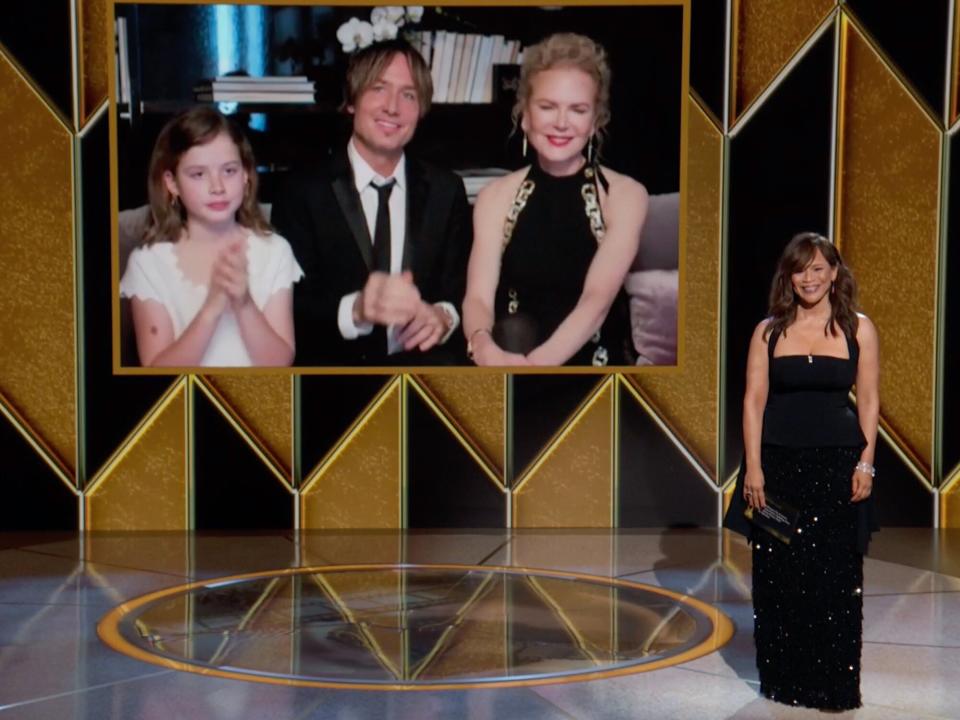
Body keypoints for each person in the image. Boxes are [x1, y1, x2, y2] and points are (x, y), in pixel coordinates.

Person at [734, 232, 880, 710]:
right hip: (775, 470)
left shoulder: (859, 329)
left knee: (836, 579)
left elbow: (870, 401)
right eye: (801, 269)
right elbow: (754, 401)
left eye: (819, 268)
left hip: (839, 471)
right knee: (778, 576)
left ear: (835, 273)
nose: (810, 278)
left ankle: (835, 686)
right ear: (789, 276)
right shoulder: (768, 331)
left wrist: (866, 463)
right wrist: (753, 467)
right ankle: (785, 681)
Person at [271, 39, 471, 366]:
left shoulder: (446, 190)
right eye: (379, 89)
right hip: (334, 380)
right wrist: (358, 309)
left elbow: (460, 289)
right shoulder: (302, 191)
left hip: (423, 379)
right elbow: (292, 305)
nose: (392, 107)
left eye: (408, 95)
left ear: (421, 110)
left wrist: (444, 317)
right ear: (352, 101)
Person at [462, 33, 648, 366]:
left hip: (590, 366)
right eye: (547, 107)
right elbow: (477, 297)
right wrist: (483, 345)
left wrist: (536, 367)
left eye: (578, 110)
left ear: (595, 122)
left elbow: (596, 301)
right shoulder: (495, 196)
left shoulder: (625, 195)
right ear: (525, 115)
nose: (561, 123)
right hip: (507, 354)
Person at [120, 106, 302, 367]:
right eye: (198, 174)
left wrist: (244, 304)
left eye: (229, 171)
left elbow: (280, 362)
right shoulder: (147, 263)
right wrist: (211, 308)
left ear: (246, 176)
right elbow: (156, 372)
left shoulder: (274, 251)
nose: (217, 187)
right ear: (172, 183)